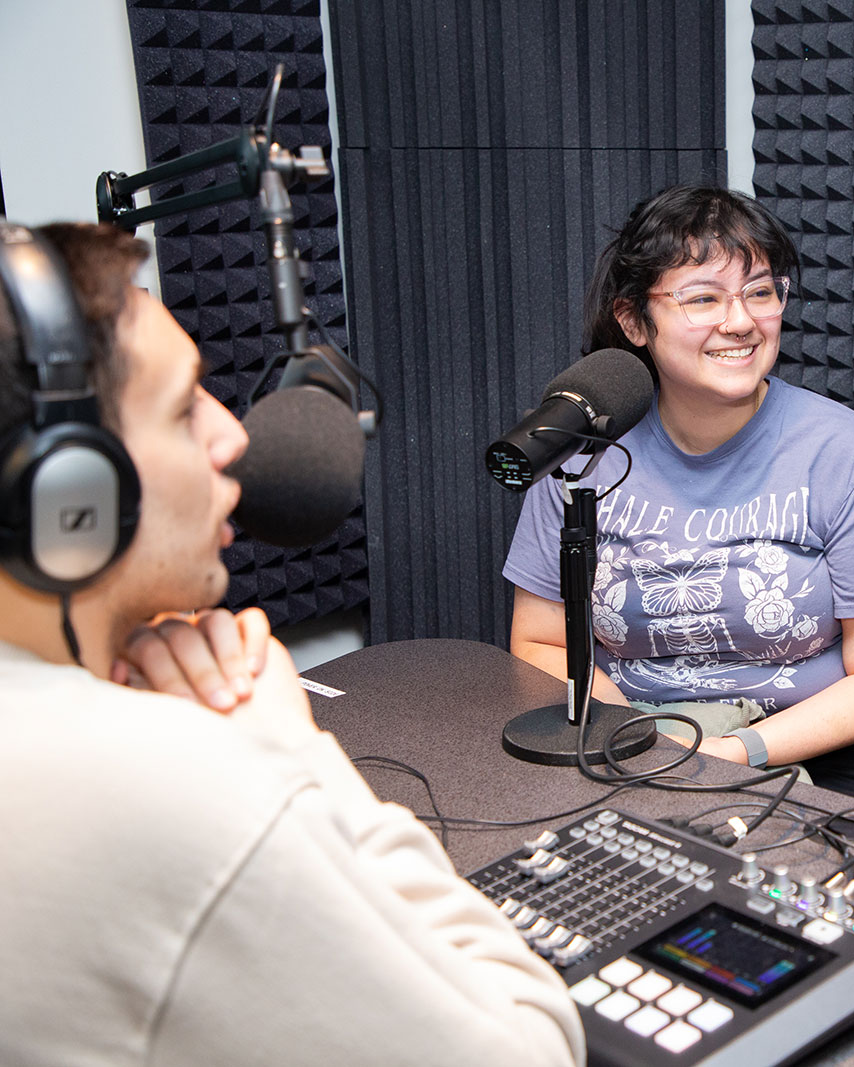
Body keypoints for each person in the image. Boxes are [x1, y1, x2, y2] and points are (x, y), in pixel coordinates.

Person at [0, 222, 583, 1065]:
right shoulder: (168, 784)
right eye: (181, 407)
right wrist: (295, 758)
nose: (233, 437)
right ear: (71, 492)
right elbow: (528, 1047)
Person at [504, 186, 854, 803]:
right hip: (626, 742)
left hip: (809, 749)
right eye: (702, 298)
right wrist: (638, 739)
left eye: (760, 292)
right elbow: (542, 640)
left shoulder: (845, 454)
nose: (740, 322)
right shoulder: (582, 450)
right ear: (633, 321)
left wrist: (731, 755)